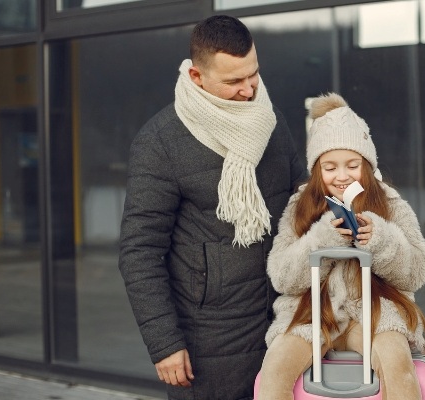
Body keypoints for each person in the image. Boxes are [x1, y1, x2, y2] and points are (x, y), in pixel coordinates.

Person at [118, 15, 307, 399]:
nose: (249, 89)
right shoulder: (160, 142)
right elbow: (140, 252)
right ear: (196, 77)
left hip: (282, 321)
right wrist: (164, 343)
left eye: (252, 74)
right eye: (233, 81)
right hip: (208, 338)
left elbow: (299, 197)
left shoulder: (271, 121)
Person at [256, 93, 425, 400]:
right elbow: (281, 276)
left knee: (397, 363)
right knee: (275, 368)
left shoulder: (390, 203)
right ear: (316, 170)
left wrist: (382, 241)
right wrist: (320, 239)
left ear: (366, 164)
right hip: (314, 314)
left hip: (376, 312)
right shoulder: (299, 205)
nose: (341, 177)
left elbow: (417, 271)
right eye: (329, 167)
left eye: (352, 165)